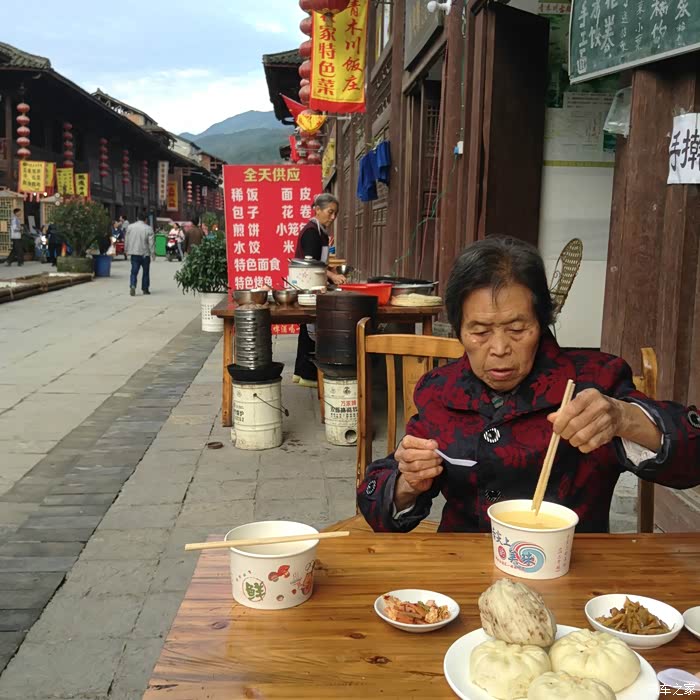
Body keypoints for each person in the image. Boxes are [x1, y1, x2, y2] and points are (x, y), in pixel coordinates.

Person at [358, 236, 700, 533]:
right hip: (463, 566)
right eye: (480, 331)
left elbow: (692, 458)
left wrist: (625, 418)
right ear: (459, 330)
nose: (499, 348)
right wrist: (407, 484)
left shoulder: (595, 381)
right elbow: (373, 501)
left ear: (542, 322)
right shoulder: (440, 390)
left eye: (517, 329)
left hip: (569, 567)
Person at [293, 193, 348, 388]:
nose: (333, 217)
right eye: (330, 212)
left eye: (335, 214)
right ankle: (308, 375)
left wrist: (333, 272)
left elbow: (323, 261)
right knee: (311, 330)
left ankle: (301, 373)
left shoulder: (321, 232)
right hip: (309, 286)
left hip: (316, 284)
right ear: (317, 209)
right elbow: (312, 263)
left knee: (307, 328)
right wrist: (332, 276)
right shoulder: (311, 232)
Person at [125, 212, 155, 296]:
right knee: (145, 272)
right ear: (146, 220)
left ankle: (133, 285)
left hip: (134, 253)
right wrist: (153, 253)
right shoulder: (148, 228)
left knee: (134, 271)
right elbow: (151, 242)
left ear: (137, 218)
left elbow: (126, 239)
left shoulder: (130, 227)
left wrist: (126, 250)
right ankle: (145, 289)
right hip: (145, 254)